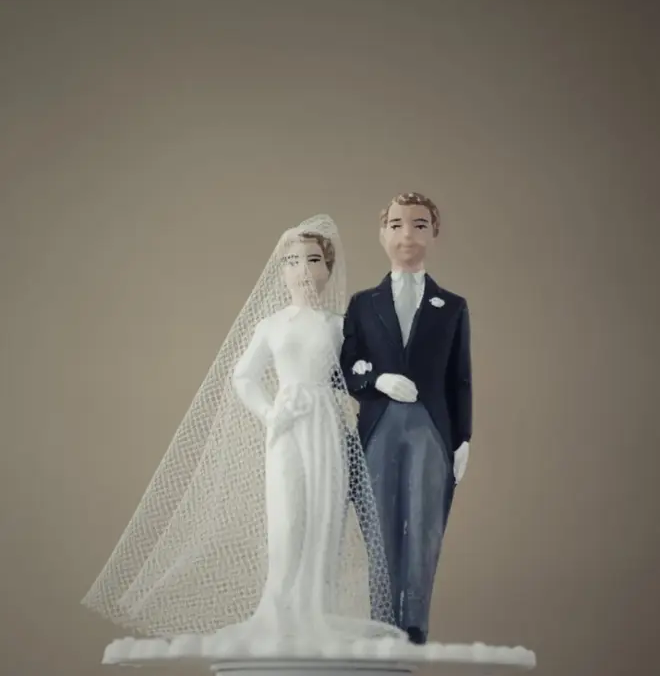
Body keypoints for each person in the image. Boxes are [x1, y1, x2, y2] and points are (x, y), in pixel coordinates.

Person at [81, 214, 402, 646]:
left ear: (327, 268)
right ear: (280, 270)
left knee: (325, 515)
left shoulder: (338, 325)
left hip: (327, 422)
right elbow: (243, 376)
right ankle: (280, 607)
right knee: (288, 517)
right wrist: (270, 414)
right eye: (292, 261)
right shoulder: (269, 327)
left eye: (312, 260)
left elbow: (358, 372)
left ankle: (317, 609)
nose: (303, 270)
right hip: (287, 421)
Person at [340, 192, 472, 644]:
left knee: (425, 522)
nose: (406, 234)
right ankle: (380, 619)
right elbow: (346, 364)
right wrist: (378, 380)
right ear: (382, 234)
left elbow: (460, 379)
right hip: (378, 427)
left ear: (434, 234)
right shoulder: (362, 303)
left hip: (431, 428)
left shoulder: (451, 306)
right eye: (396, 224)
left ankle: (414, 621)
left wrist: (463, 440)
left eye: (418, 224)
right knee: (377, 521)